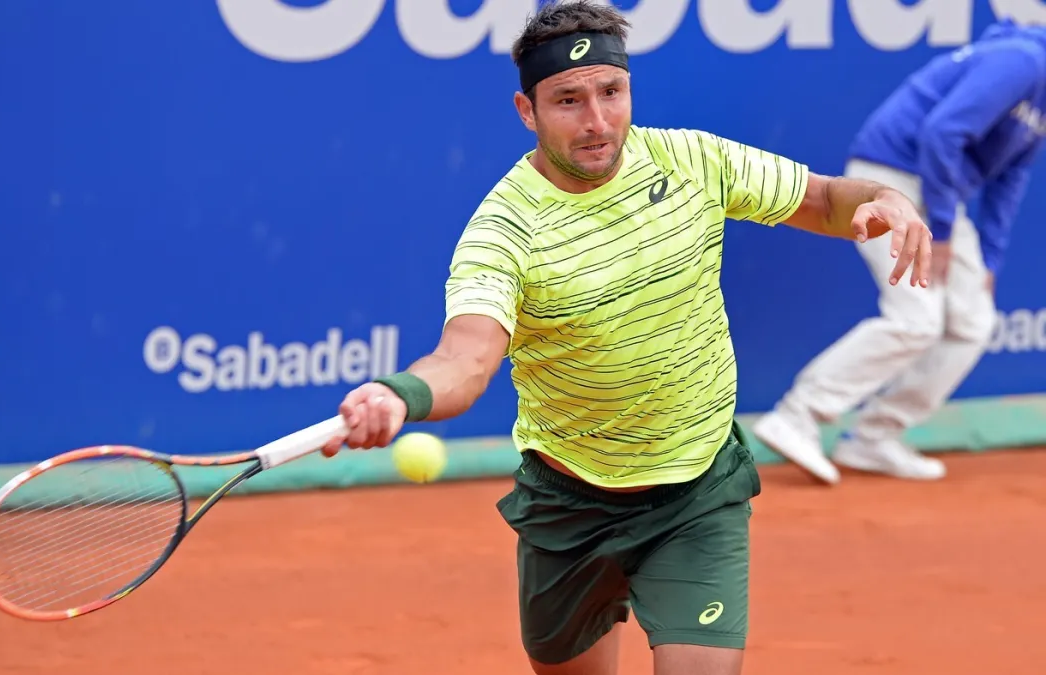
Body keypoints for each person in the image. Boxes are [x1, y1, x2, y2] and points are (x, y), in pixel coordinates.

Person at [319, 2, 932, 673]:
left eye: (611, 92)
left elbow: (822, 200)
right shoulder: (502, 232)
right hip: (569, 505)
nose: (597, 121)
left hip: (697, 490)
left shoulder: (693, 160)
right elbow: (465, 359)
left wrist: (887, 200)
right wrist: (400, 394)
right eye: (568, 100)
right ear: (527, 111)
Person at [752, 19, 1046, 486]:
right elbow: (942, 134)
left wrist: (990, 258)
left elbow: (1011, 177)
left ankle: (875, 436)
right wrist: (942, 231)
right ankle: (798, 415)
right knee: (917, 320)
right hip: (889, 182)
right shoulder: (1023, 60)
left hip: (936, 192)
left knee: (973, 322)